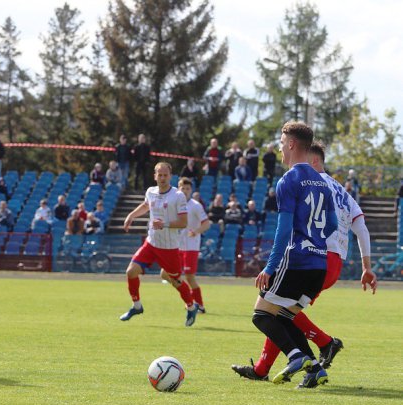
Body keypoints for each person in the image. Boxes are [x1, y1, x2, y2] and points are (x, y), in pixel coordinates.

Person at [233, 141, 377, 386]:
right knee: (284, 312)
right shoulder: (342, 190)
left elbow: (289, 225)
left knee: (271, 312)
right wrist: (366, 266)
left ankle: (322, 344)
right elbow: (360, 227)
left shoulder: (308, 182)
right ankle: (265, 368)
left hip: (310, 256)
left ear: (313, 159)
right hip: (333, 261)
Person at [232, 121, 338, 389]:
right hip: (319, 264)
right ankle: (314, 369)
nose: (280, 149)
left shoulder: (289, 179)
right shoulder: (324, 184)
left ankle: (296, 356)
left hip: (297, 260)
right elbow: (333, 225)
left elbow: (284, 229)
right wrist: (316, 241)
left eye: (281, 143)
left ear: (291, 144)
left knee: (261, 315)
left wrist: (270, 266)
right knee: (284, 317)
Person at [119, 162, 199, 327]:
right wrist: (131, 216)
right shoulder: (151, 191)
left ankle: (191, 306)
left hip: (169, 248)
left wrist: (164, 224)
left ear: (170, 176)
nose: (162, 178)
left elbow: (183, 222)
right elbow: (146, 205)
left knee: (176, 281)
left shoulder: (178, 196)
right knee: (131, 272)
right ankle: (137, 306)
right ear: (155, 176)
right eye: (159, 175)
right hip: (151, 243)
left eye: (165, 175)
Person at [160, 177, 210, 313]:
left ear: (191, 190)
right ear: (178, 189)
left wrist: (196, 231)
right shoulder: (174, 203)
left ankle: (199, 305)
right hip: (176, 246)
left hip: (191, 247)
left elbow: (207, 223)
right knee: (164, 274)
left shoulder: (195, 205)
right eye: (183, 188)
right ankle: (187, 294)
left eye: (188, 188)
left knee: (189, 276)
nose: (185, 191)